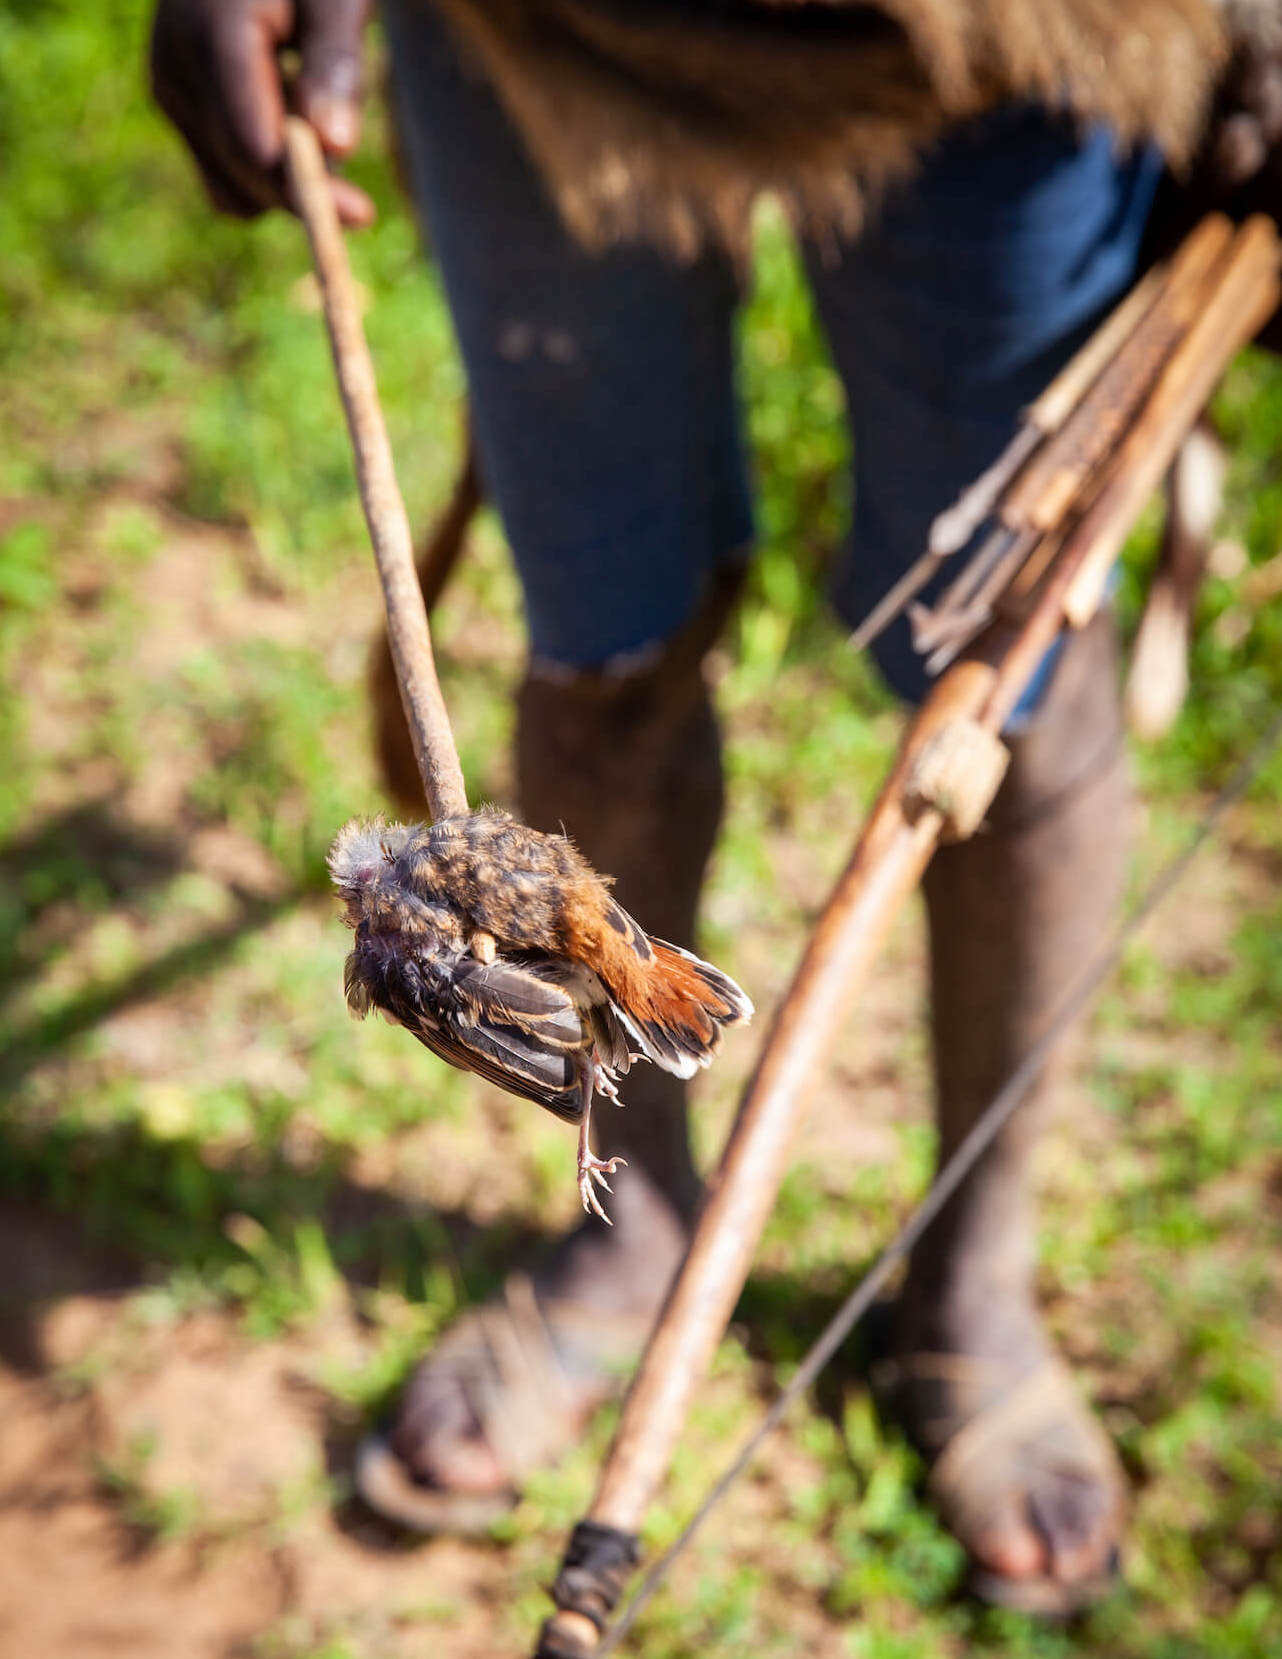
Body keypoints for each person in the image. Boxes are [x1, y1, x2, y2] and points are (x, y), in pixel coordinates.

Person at [150, 0, 1282, 1615]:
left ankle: (969, 1283)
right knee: (599, 640)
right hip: (533, 32)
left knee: (1010, 680)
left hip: (1023, 42)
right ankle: (634, 1222)